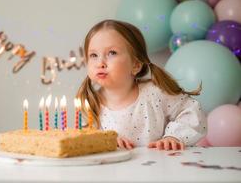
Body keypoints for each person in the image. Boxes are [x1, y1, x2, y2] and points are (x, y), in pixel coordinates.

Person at [76, 19, 207, 151]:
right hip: (114, 171)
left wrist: (174, 137)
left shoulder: (154, 93)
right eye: (93, 55)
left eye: (112, 53)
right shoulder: (90, 103)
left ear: (136, 65)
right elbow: (86, 141)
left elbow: (192, 112)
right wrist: (104, 140)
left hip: (159, 168)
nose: (100, 63)